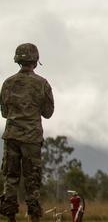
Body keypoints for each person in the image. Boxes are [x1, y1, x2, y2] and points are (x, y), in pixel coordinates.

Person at [0, 43, 54, 222]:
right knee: (32, 181)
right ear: (36, 60)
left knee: (10, 178)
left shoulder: (7, 83)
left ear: (18, 60)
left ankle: (10, 218)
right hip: (31, 139)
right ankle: (34, 218)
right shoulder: (42, 84)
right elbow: (48, 113)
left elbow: (5, 113)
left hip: (11, 137)